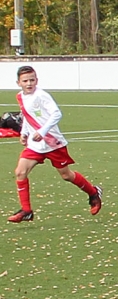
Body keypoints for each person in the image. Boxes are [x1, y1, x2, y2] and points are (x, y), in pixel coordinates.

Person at [8, 65, 102, 222]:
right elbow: (27, 115)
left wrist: (43, 131)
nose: (29, 83)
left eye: (32, 80)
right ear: (18, 82)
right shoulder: (20, 97)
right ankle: (26, 211)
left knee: (66, 175)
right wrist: (24, 133)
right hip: (35, 144)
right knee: (20, 172)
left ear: (37, 80)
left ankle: (93, 193)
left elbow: (56, 113)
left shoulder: (41, 95)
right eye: (25, 81)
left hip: (53, 142)